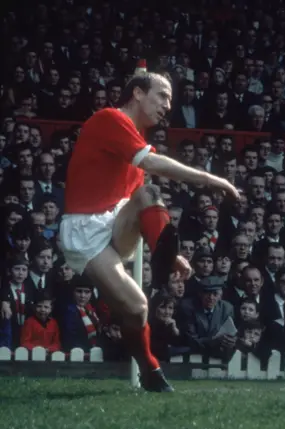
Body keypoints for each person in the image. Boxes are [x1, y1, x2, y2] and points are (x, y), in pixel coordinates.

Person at [56, 71, 240, 392]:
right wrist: (213, 180)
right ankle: (150, 370)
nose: (168, 105)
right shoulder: (109, 119)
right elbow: (155, 164)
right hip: (84, 230)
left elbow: (145, 203)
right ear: (138, 93)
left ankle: (163, 258)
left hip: (115, 222)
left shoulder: (135, 138)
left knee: (147, 193)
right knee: (138, 307)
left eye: (169, 99)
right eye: (162, 96)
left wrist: (173, 255)